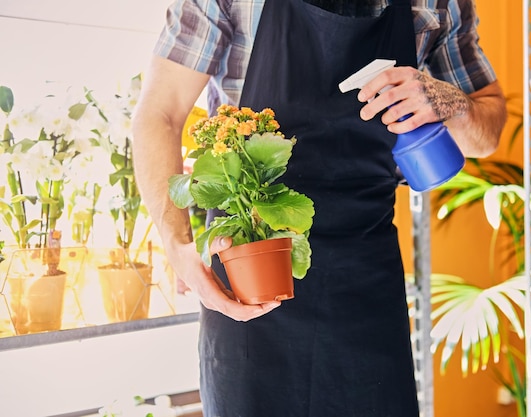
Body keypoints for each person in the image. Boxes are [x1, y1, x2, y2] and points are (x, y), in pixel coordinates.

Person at [131, 0, 507, 416]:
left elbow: (486, 132)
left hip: (365, 272)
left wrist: (448, 100)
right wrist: (179, 248)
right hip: (247, 264)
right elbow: (159, 111)